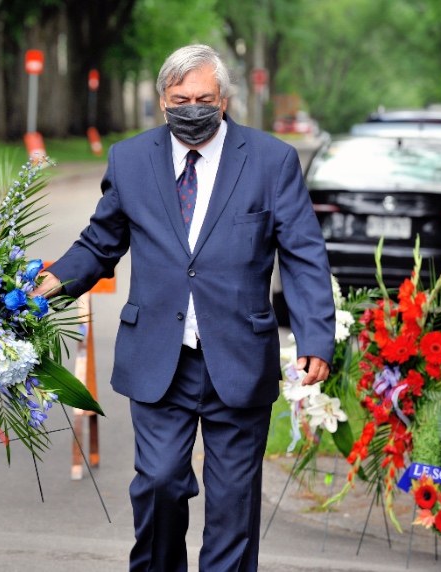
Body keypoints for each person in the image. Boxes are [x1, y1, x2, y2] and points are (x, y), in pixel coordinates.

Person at [33, 44, 335, 571]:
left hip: (239, 357)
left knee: (232, 509)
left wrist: (314, 339)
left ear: (224, 100)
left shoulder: (270, 161)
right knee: (158, 484)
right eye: (180, 99)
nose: (191, 109)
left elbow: (303, 254)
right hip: (157, 357)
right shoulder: (130, 159)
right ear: (162, 100)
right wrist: (52, 282)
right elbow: (102, 242)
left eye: (203, 98)